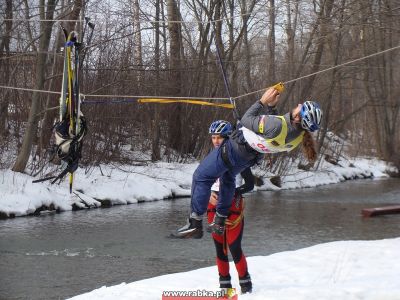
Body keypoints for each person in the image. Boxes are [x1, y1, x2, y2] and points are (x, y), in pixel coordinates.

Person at [173, 87, 322, 239]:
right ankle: (220, 221)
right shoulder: (298, 136)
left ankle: (195, 223)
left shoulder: (276, 125)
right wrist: (272, 107)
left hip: (233, 150)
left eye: (301, 107)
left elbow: (247, 119)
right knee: (228, 178)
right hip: (249, 157)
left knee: (201, 176)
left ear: (298, 117)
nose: (298, 104)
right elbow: (276, 129)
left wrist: (262, 101)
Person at [206, 120, 254, 294]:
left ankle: (246, 286)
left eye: (220, 137)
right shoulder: (209, 160)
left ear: (228, 138)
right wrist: (206, 195)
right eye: (213, 137)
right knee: (219, 248)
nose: (216, 141)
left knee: (234, 247)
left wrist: (235, 192)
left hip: (233, 207)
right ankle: (225, 287)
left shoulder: (239, 158)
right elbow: (201, 182)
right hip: (213, 207)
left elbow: (250, 184)